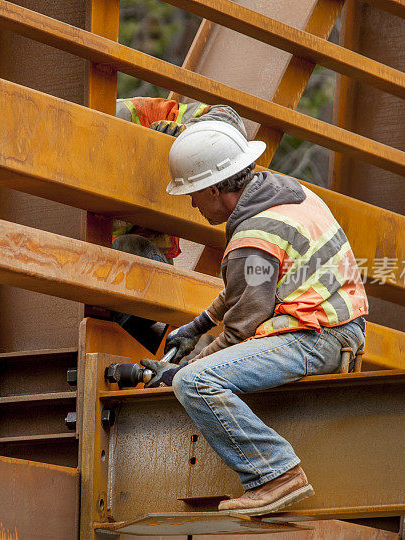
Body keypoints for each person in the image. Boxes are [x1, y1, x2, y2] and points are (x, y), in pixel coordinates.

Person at [141, 118, 369, 515]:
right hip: (336, 327)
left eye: (194, 193)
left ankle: (276, 475)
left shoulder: (252, 237)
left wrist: (181, 370)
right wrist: (197, 326)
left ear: (214, 188)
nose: (193, 203)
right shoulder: (285, 196)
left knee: (197, 383)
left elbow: (241, 330)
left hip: (315, 335)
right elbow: (250, 284)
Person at [111, 97, 247, 352]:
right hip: (100, 282)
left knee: (128, 247)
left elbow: (229, 120)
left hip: (143, 270)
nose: (194, 204)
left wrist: (190, 135)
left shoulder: (137, 115)